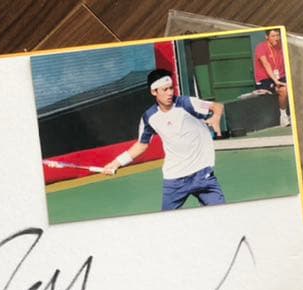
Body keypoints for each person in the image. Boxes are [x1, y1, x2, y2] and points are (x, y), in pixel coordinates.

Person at [104, 69, 226, 211]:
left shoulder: (187, 103)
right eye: (165, 89)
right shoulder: (149, 117)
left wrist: (216, 117)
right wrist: (116, 163)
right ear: (154, 92)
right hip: (175, 179)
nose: (170, 93)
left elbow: (217, 106)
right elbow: (141, 145)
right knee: (166, 220)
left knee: (221, 213)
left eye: (171, 88)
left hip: (202, 174)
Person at [254, 29, 290, 127]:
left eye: (278, 35)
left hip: (280, 77)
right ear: (267, 37)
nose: (276, 38)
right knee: (283, 90)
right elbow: (266, 64)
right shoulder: (261, 47)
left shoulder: (281, 46)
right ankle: (283, 117)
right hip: (265, 80)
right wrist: (276, 81)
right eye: (273, 36)